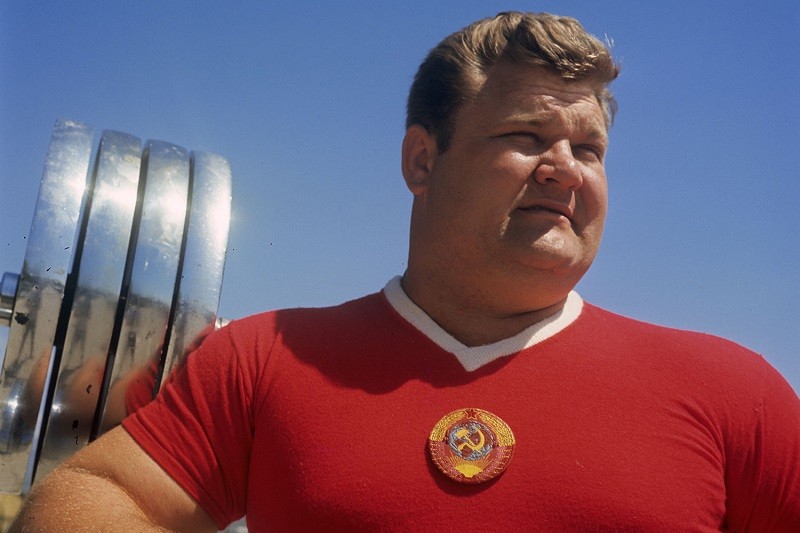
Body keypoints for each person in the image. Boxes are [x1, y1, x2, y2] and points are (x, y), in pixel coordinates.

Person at [11, 11, 800, 532]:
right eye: (527, 136)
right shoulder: (262, 359)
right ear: (422, 160)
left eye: (588, 149)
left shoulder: (734, 391)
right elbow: (92, 499)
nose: (565, 168)